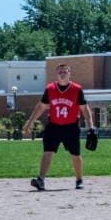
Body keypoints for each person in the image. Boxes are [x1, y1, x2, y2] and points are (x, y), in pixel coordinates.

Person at [21, 62, 96, 190]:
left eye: (65, 72)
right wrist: (30, 122)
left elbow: (84, 108)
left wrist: (91, 125)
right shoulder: (50, 89)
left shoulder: (76, 89)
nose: (62, 74)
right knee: (47, 152)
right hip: (54, 126)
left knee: (75, 155)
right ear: (57, 74)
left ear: (69, 74)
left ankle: (79, 180)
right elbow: (41, 107)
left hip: (71, 127)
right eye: (60, 72)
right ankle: (41, 180)